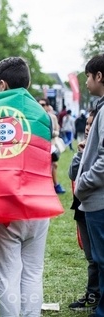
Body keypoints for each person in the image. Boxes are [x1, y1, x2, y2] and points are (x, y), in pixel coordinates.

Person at [0, 57, 64, 316]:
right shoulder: (43, 114)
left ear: (2, 84)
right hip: (39, 201)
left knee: (7, 274)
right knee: (33, 271)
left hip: (5, 204)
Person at [74, 53, 104, 317]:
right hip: (95, 197)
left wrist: (83, 183)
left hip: (98, 199)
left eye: (87, 77)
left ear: (99, 76)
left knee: (101, 259)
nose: (85, 83)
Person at [69, 109, 99, 313]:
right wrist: (80, 154)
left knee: (98, 258)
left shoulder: (99, 149)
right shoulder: (84, 148)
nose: (88, 128)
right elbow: (72, 173)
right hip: (81, 208)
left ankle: (96, 295)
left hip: (96, 206)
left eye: (91, 125)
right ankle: (92, 293)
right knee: (91, 257)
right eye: (87, 125)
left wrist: (82, 184)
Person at [38, 98, 66, 194]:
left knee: (54, 164)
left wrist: (48, 132)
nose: (41, 106)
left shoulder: (52, 117)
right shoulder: (35, 117)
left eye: (43, 104)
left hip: (51, 145)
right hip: (40, 145)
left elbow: (57, 131)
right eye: (39, 104)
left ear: (47, 106)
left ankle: (55, 185)